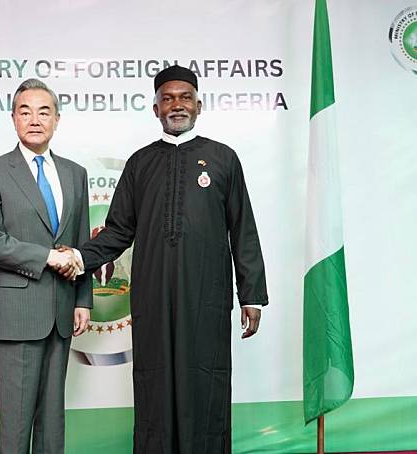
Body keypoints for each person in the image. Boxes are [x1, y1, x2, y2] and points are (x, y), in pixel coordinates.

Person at [74, 65, 268, 453]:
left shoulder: (223, 158)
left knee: (205, 384)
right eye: (167, 98)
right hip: (153, 298)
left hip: (206, 299)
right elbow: (116, 231)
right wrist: (80, 257)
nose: (176, 105)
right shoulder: (140, 163)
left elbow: (242, 228)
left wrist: (251, 295)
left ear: (199, 104)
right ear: (155, 108)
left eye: (184, 97)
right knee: (155, 385)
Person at [0, 78, 92, 454]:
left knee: (52, 423)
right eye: (25, 111)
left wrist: (83, 300)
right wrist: (48, 257)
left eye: (44, 112)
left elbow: (82, 241)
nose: (35, 120)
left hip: (60, 313)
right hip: (16, 314)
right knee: (17, 422)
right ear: (13, 119)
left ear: (57, 119)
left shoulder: (75, 173)